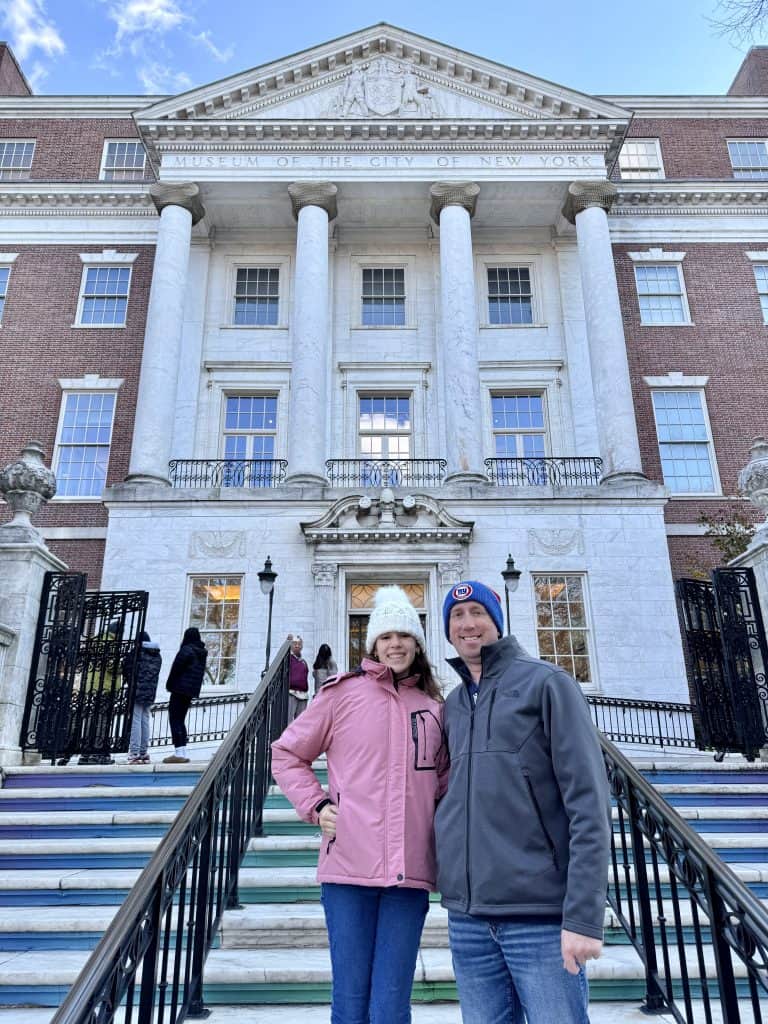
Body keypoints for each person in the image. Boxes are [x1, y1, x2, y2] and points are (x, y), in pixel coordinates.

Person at [435, 580, 611, 1024]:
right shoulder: (454, 704)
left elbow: (588, 804)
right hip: (469, 919)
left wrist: (584, 916)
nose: (467, 624)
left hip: (539, 917)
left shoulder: (548, 684)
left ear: (496, 620)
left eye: (477, 612)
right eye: (457, 616)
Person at [271, 586, 448, 1024]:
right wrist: (316, 804)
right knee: (350, 1003)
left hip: (410, 874)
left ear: (418, 643)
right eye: (386, 636)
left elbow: (445, 786)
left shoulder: (434, 707)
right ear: (372, 644)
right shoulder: (340, 695)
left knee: (391, 1005)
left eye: (404, 635)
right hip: (349, 868)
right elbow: (287, 754)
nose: (395, 644)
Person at [162, 627, 207, 765]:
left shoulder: (186, 650)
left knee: (174, 719)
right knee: (180, 720)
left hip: (179, 689)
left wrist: (169, 685)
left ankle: (179, 753)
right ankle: (181, 752)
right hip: (189, 691)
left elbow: (175, 670)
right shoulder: (201, 653)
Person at [124, 631, 162, 765]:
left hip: (137, 690)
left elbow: (127, 669)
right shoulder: (157, 655)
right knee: (145, 719)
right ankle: (143, 752)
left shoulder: (136, 653)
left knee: (136, 719)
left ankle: (134, 752)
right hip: (150, 692)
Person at [287, 635, 310, 721]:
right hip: (291, 693)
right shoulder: (288, 658)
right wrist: (286, 643)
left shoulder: (303, 662)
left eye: (299, 644)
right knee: (288, 721)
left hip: (303, 695)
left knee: (301, 722)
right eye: (295, 643)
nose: (297, 645)